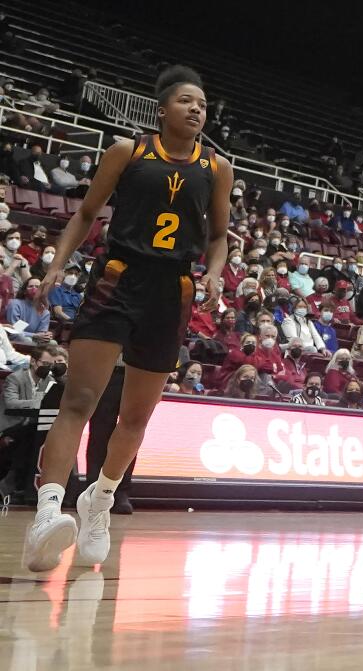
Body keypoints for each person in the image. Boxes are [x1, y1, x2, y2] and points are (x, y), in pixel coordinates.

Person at [24, 66, 231, 572]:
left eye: (202, 104)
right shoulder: (129, 151)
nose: (196, 109)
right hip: (119, 277)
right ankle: (48, 509)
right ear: (162, 110)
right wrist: (56, 263)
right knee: (79, 399)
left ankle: (101, 500)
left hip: (173, 289)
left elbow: (219, 236)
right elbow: (85, 212)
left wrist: (216, 274)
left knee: (135, 418)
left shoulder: (218, 167)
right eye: (186, 101)